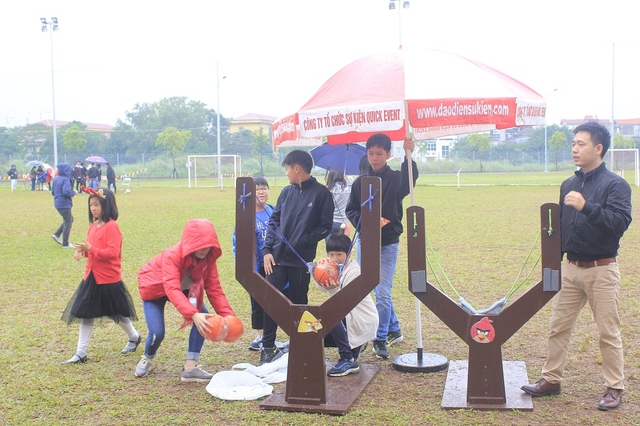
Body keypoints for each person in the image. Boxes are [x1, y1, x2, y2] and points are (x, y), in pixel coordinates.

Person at [521, 122, 632, 411]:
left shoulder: (615, 185)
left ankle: (614, 387)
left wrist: (587, 207)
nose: (574, 148)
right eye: (573, 143)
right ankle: (551, 379)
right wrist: (553, 263)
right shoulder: (569, 184)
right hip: (571, 268)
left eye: (581, 144)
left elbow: (619, 224)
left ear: (598, 148)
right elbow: (560, 227)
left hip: (601, 268)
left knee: (608, 331)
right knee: (558, 326)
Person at [345, 133, 418, 360]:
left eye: (379, 153)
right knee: (369, 287)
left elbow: (408, 182)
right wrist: (365, 222)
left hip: (388, 243)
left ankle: (380, 337)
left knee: (383, 291)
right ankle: (394, 328)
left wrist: (409, 156)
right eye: (371, 153)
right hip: (366, 242)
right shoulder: (360, 182)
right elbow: (351, 210)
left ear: (388, 154)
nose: (375, 158)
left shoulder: (396, 178)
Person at [135, 219, 235, 381]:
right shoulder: (172, 256)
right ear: (191, 242)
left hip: (185, 289)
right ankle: (148, 356)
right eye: (200, 245)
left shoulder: (208, 260)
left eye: (208, 245)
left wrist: (229, 317)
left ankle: (190, 369)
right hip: (155, 288)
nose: (204, 249)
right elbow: (171, 288)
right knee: (157, 333)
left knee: (205, 321)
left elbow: (215, 289)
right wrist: (192, 314)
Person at [261, 150, 334, 365]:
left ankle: (300, 344)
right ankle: (267, 347)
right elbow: (273, 222)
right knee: (270, 300)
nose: (286, 174)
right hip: (276, 258)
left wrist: (305, 241)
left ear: (296, 168)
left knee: (299, 302)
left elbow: (325, 227)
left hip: (300, 260)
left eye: (286, 169)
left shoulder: (322, 194)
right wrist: (266, 250)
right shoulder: (285, 192)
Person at [61, 187, 141, 364]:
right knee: (86, 313)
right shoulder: (93, 227)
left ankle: (134, 336)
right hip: (91, 277)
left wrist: (91, 250)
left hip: (108, 278)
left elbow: (112, 253)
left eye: (96, 204)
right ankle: (81, 352)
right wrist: (82, 252)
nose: (93, 208)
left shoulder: (112, 227)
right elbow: (92, 250)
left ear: (107, 205)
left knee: (118, 313)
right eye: (91, 205)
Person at [315, 233, 378, 376]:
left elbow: (340, 304)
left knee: (331, 314)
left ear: (348, 253)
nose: (334, 259)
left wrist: (333, 289)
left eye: (339, 254)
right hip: (350, 318)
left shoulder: (354, 271)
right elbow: (322, 286)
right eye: (331, 255)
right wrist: (317, 271)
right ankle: (355, 347)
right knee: (315, 333)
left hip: (361, 319)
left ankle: (348, 358)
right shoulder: (333, 267)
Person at [232, 176, 274, 351]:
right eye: (257, 189)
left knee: (272, 299)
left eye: (264, 188)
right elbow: (238, 242)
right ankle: (261, 336)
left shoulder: (273, 211)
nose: (261, 192)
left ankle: (271, 335)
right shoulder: (246, 214)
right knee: (257, 301)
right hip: (255, 266)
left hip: (272, 264)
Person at [51, 162, 77, 249]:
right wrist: (74, 192)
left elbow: (53, 192)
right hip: (64, 204)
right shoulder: (66, 179)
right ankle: (65, 243)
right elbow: (66, 192)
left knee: (69, 219)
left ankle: (57, 234)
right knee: (68, 222)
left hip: (57, 203)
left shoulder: (56, 179)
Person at [325, 169, 351, 241]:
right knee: (341, 248)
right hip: (343, 222)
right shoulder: (348, 188)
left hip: (330, 221)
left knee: (330, 249)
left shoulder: (327, 189)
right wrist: (346, 179)